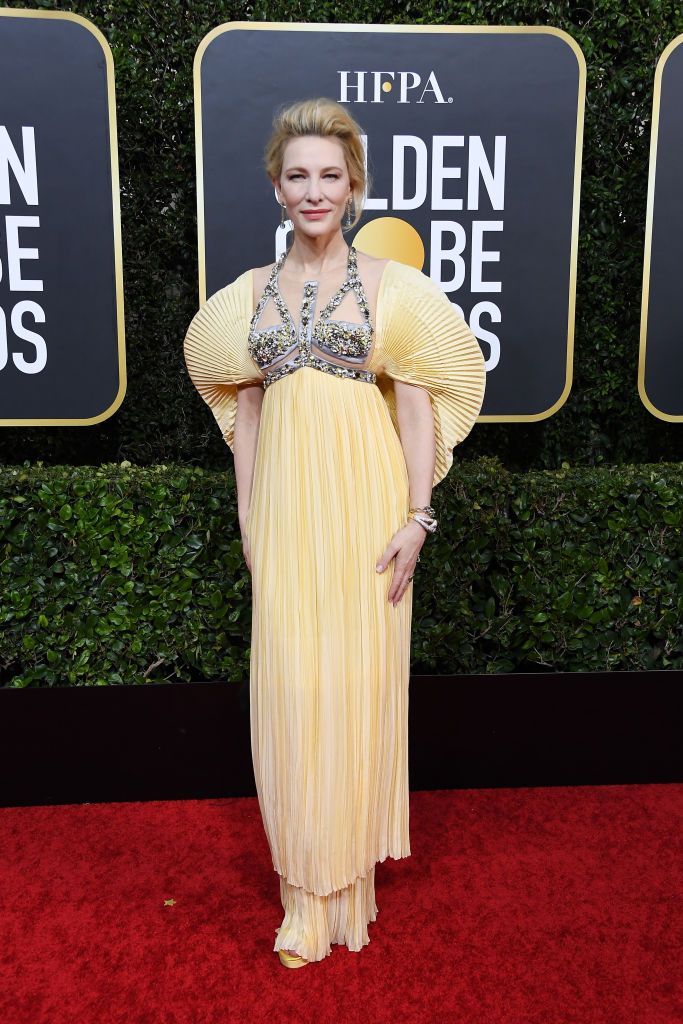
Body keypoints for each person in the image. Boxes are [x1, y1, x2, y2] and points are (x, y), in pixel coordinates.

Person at [183, 97, 486, 968]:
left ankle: (345, 885)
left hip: (366, 513)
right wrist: (250, 525)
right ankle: (302, 894)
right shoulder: (246, 297)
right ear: (276, 189)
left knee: (354, 691)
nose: (313, 190)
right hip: (285, 517)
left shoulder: (395, 290)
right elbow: (245, 417)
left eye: (329, 175)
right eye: (297, 176)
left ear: (353, 186)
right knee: (292, 697)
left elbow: (416, 409)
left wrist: (417, 518)